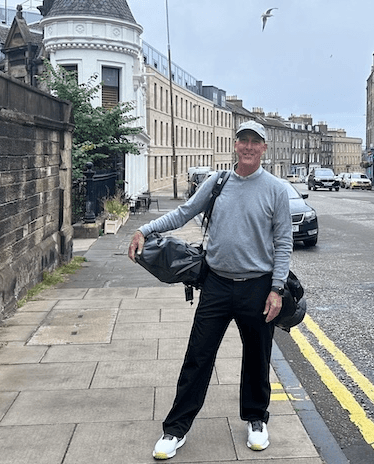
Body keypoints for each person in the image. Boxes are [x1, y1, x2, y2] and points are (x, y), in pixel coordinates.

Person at [127, 120, 293, 460]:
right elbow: (184, 212)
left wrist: (276, 289)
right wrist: (145, 229)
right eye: (244, 140)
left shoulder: (275, 189)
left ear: (264, 148)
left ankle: (256, 419)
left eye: (255, 142)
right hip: (216, 284)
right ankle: (176, 429)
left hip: (258, 286)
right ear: (236, 144)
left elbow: (284, 242)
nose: (248, 147)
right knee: (198, 356)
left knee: (257, 357)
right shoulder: (218, 182)